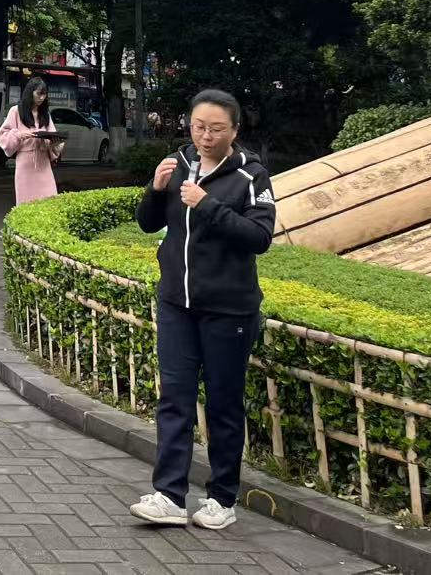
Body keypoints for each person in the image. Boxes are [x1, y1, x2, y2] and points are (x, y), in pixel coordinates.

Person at [130, 90, 276, 531]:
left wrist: (207, 204)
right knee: (174, 398)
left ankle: (222, 499)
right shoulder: (179, 162)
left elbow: (259, 237)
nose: (205, 137)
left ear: (234, 130)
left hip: (228, 310)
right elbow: (148, 223)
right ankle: (169, 495)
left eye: (216, 129)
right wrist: (156, 189)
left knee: (223, 404)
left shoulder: (251, 175)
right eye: (198, 127)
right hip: (177, 303)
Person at [0, 78, 63, 205]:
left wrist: (54, 143)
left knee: (49, 201)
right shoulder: (16, 111)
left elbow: (53, 135)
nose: (42, 98)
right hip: (25, 163)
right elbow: (3, 135)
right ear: (30, 92)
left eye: (44, 94)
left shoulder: (45, 113)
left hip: (44, 163)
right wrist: (19, 135)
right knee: (26, 203)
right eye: (39, 94)